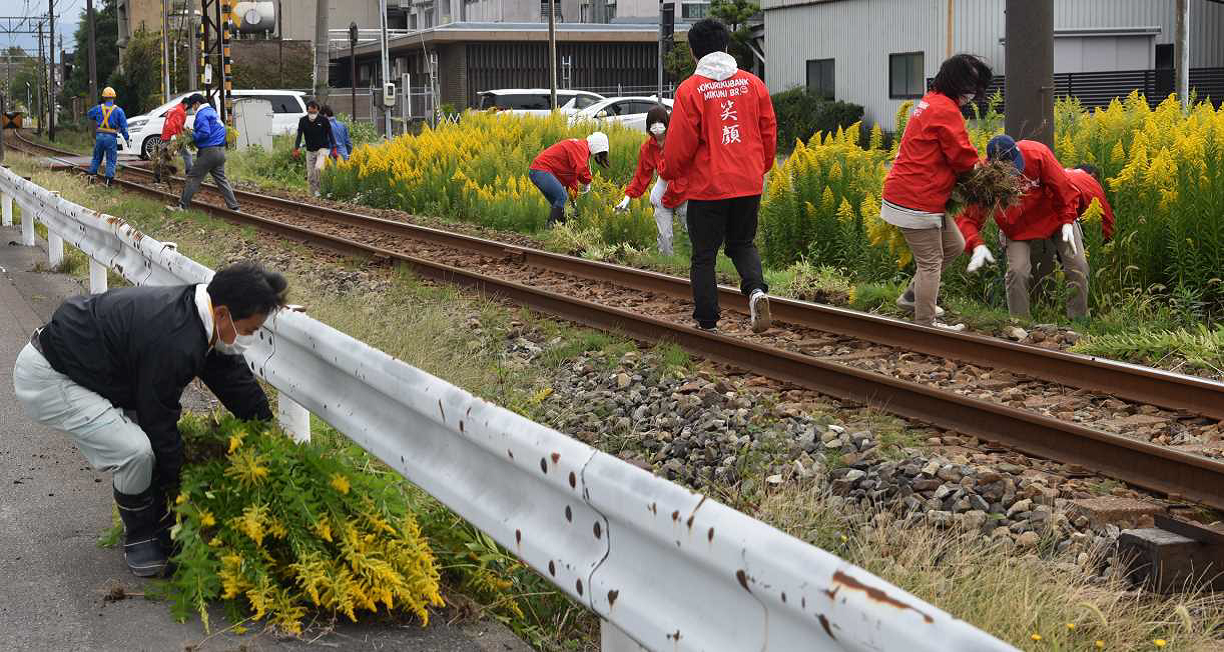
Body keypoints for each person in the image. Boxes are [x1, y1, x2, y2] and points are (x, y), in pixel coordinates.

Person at [12, 261, 288, 577]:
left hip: (89, 368)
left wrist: (266, 429)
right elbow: (159, 420)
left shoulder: (202, 316)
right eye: (250, 329)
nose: (249, 338)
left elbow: (231, 377)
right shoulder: (174, 338)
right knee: (137, 452)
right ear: (223, 313)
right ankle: (142, 538)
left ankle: (157, 524)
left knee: (154, 449)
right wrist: (178, 493)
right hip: (50, 375)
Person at [661, 18, 776, 334]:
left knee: (704, 255)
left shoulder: (690, 90)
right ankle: (756, 291)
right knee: (742, 243)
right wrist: (759, 167)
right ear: (727, 47)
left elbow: (679, 145)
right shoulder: (753, 85)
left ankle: (708, 321)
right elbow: (768, 131)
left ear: (694, 55)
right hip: (748, 182)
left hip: (708, 188)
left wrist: (668, 172)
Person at [880, 53, 992, 330]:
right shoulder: (944, 110)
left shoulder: (931, 101)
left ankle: (911, 297)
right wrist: (982, 173)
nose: (972, 95)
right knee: (931, 262)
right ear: (959, 83)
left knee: (954, 244)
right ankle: (926, 324)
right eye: (971, 87)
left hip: (916, 193)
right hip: (917, 198)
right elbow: (962, 156)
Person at [959, 135, 1089, 319]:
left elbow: (1065, 190)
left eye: (1016, 166)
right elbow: (969, 218)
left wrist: (1068, 221)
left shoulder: (1037, 154)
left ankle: (1079, 320)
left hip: (1056, 217)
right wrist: (975, 243)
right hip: (1015, 227)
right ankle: (1020, 324)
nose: (1016, 174)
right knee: (1017, 271)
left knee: (1078, 265)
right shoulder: (986, 178)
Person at [614, 105, 687, 256]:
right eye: (653, 122)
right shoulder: (647, 148)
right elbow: (641, 176)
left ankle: (693, 266)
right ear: (648, 126)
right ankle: (667, 266)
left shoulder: (679, 140)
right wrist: (627, 198)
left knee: (690, 233)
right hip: (662, 191)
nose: (657, 126)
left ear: (668, 123)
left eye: (661, 121)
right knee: (665, 236)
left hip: (684, 190)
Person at [171, 94, 241, 212]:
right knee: (221, 180)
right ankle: (234, 207)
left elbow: (204, 133)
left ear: (197, 104)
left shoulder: (202, 114)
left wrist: (191, 134)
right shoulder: (213, 113)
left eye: (193, 106)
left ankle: (182, 206)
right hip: (220, 151)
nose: (193, 109)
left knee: (193, 178)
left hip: (209, 152)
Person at [529, 132, 610, 227]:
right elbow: (581, 169)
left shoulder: (580, 147)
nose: (597, 156)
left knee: (561, 205)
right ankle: (550, 229)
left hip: (538, 171)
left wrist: (573, 199)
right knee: (562, 197)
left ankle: (560, 230)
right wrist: (588, 182)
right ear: (596, 147)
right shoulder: (581, 148)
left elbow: (572, 177)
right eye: (599, 153)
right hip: (541, 170)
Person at [86, 87, 130, 187]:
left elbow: (89, 114)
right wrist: (127, 138)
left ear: (104, 97)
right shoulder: (119, 111)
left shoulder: (98, 108)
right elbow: (124, 127)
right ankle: (108, 182)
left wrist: (97, 118)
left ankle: (91, 179)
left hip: (100, 136)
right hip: (111, 137)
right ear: (114, 97)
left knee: (97, 158)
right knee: (111, 160)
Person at [293, 100, 333, 197]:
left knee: (318, 169)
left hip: (323, 148)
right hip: (310, 150)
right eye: (310, 112)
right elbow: (299, 135)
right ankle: (312, 195)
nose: (312, 114)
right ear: (307, 111)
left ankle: (319, 191)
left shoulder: (324, 120)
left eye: (314, 112)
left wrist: (334, 147)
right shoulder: (303, 121)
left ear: (318, 111)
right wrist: (296, 148)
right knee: (311, 174)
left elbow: (330, 134)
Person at [157, 95, 193, 181]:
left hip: (166, 134)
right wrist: (178, 137)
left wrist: (185, 130)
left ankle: (158, 175)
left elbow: (173, 123)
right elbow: (176, 125)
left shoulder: (173, 108)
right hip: (173, 136)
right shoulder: (181, 111)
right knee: (187, 155)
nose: (188, 110)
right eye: (189, 107)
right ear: (186, 105)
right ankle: (190, 173)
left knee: (164, 155)